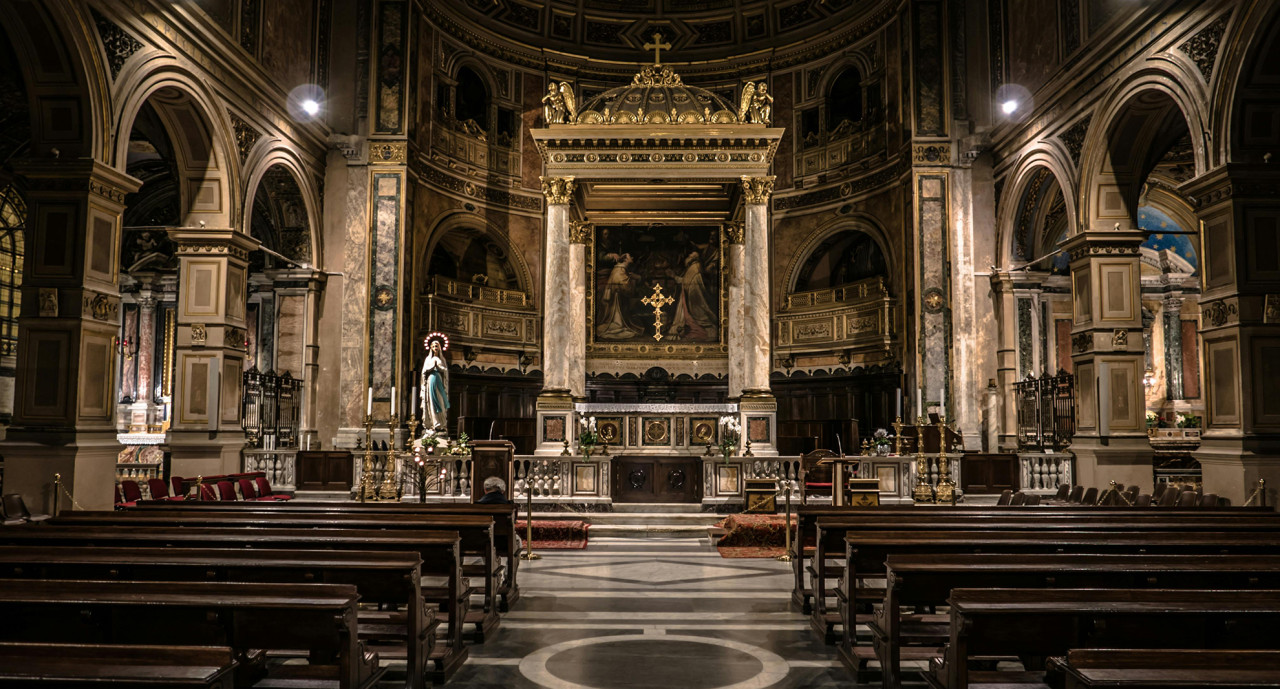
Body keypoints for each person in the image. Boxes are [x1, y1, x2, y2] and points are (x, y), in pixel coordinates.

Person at [596, 253, 643, 340]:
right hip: (616, 298)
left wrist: (630, 277)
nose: (632, 257)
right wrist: (633, 279)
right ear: (625, 260)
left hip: (619, 297)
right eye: (629, 256)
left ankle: (618, 324)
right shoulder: (619, 269)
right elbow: (622, 284)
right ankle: (617, 324)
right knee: (617, 320)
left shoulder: (621, 269)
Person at [420, 333, 450, 431]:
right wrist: (432, 367)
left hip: (439, 380)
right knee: (431, 401)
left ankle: (441, 423)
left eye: (436, 346)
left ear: (439, 347)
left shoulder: (442, 359)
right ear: (430, 348)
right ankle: (433, 422)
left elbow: (445, 371)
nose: (435, 347)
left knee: (440, 400)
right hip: (430, 380)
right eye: (433, 346)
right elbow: (424, 371)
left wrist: (439, 367)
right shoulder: (428, 359)